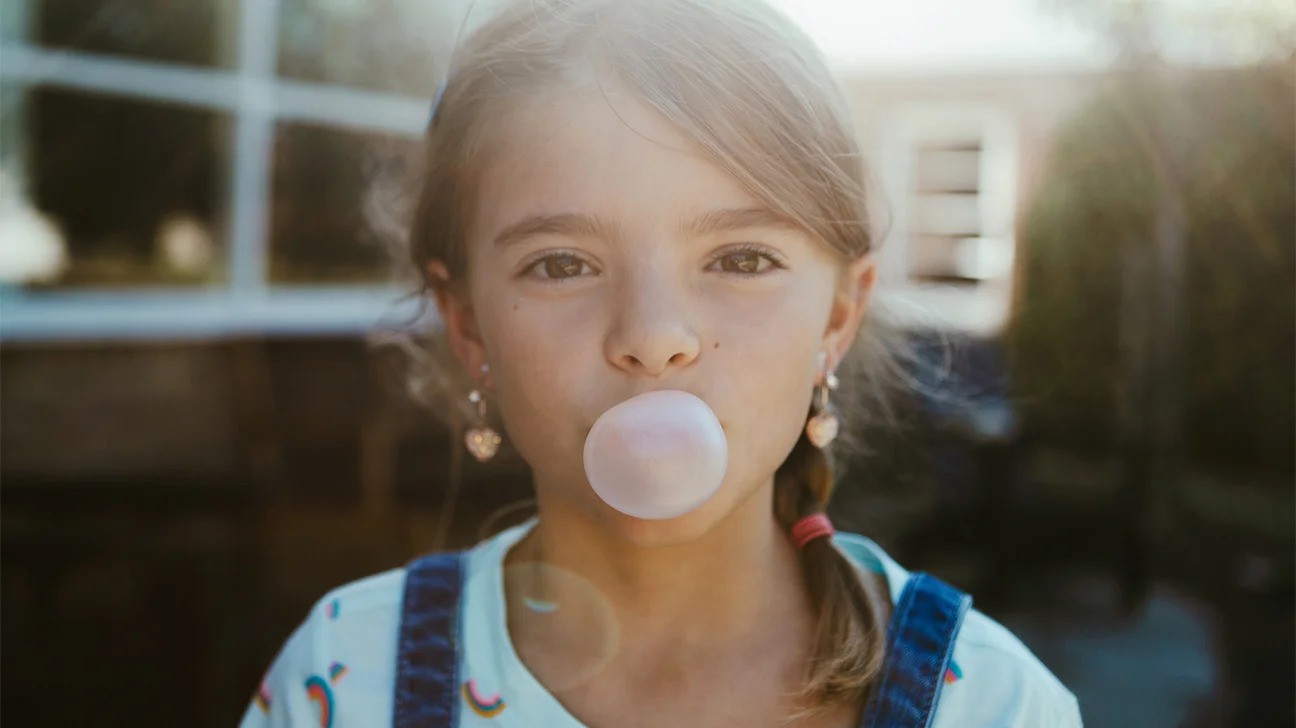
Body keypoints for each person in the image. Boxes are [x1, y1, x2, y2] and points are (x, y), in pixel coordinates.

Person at [239, 0, 1082, 725]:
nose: (652, 335)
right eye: (562, 263)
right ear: (469, 326)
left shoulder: (998, 707)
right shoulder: (347, 680)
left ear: (836, 315)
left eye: (741, 259)